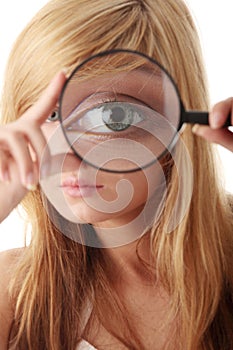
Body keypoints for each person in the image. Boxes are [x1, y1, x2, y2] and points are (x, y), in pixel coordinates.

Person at [0, 0, 232, 349]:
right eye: (47, 115)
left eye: (113, 116)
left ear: (178, 123)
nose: (63, 153)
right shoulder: (14, 294)